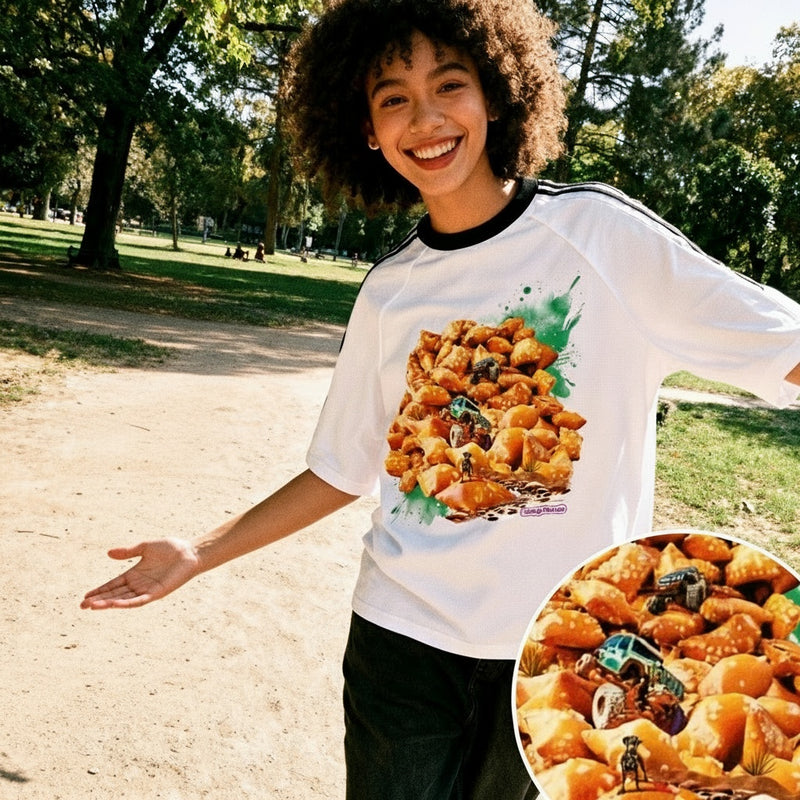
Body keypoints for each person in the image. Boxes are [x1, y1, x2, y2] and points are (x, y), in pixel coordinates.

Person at [81, 1, 800, 798]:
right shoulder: (391, 292)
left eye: (449, 85)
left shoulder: (601, 238)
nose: (425, 119)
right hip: (402, 646)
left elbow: (784, 348)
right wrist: (199, 551)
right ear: (365, 128)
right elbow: (343, 468)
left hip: (563, 656)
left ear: (495, 93)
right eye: (393, 98)